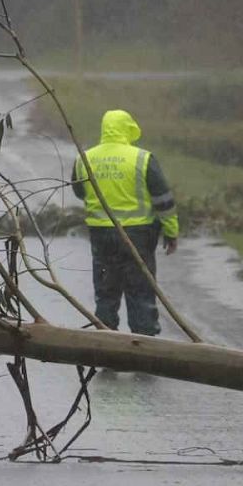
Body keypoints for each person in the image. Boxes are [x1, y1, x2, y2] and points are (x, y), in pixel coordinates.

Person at [70, 109, 179, 336]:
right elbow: (164, 201)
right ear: (129, 129)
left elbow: (80, 191)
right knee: (140, 290)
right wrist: (171, 233)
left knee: (106, 291)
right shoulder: (142, 158)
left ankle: (106, 341)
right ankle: (143, 344)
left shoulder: (84, 158)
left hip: (101, 236)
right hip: (138, 236)